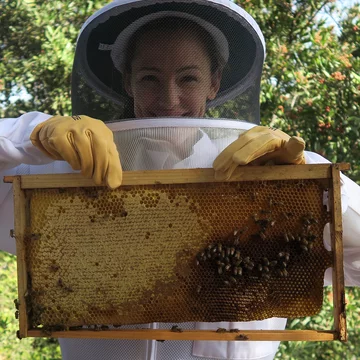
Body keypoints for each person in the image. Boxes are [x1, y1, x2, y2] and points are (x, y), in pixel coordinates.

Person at [0, 1, 359, 359]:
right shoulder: (62, 177)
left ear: (214, 82)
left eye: (187, 77)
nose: (168, 98)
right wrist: (31, 135)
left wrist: (316, 185)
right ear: (129, 82)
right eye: (149, 78)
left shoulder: (271, 182)